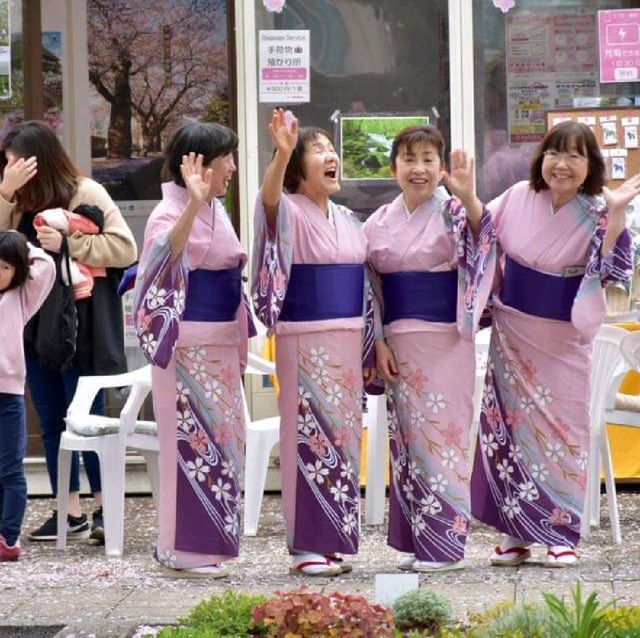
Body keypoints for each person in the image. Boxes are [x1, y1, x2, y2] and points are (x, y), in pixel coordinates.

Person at [470, 121, 637, 567]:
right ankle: (514, 533)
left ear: (591, 166)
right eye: (555, 153)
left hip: (563, 336)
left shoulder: (600, 207)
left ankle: (561, 532)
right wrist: (465, 197)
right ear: (542, 158)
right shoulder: (515, 198)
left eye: (576, 156)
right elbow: (481, 236)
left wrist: (617, 215)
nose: (562, 165)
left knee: (563, 433)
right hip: (513, 333)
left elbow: (613, 270)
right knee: (507, 432)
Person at [252, 108, 376, 577]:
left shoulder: (347, 217)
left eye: (331, 149)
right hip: (304, 339)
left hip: (345, 339)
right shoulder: (289, 211)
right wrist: (281, 154)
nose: (331, 156)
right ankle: (307, 545)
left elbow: (366, 283)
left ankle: (335, 539)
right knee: (307, 436)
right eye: (318, 150)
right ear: (299, 171)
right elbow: (268, 200)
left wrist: (371, 339)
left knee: (341, 438)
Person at [0, 120, 137, 543]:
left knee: (89, 420)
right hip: (33, 324)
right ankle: (69, 510)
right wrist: (5, 193)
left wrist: (70, 244)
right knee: (54, 417)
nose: (10, 171)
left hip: (79, 323)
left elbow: (125, 248)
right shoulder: (17, 201)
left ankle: (103, 507)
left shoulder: (86, 192)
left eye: (13, 164)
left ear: (38, 162)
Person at [364, 125, 493, 572]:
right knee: (408, 443)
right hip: (397, 343)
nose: (418, 169)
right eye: (408, 159)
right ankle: (420, 541)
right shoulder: (378, 221)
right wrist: (377, 340)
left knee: (445, 438)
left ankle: (446, 546)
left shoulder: (456, 211)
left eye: (428, 160)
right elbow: (371, 289)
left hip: (446, 341)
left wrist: (471, 198)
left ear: (441, 168)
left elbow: (487, 243)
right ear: (393, 166)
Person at [134, 121, 250, 578]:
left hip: (219, 341)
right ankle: (181, 549)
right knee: (189, 445)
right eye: (227, 159)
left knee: (223, 444)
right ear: (199, 163)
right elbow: (163, 260)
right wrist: (194, 203)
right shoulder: (170, 212)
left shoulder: (219, 211)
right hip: (185, 348)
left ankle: (211, 544)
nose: (234, 169)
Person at [0, 231, 55, 560]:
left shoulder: (21, 296)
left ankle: (8, 537)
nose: (1, 273)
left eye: (7, 267)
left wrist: (18, 240)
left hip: (8, 397)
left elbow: (46, 263)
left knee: (10, 470)